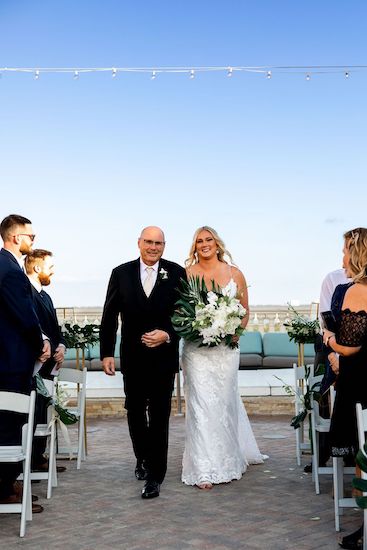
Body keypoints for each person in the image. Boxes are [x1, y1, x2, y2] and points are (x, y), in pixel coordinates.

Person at [99, 226, 186, 499]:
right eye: (148, 242)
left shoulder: (176, 273)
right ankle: (143, 457)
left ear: (164, 246)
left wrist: (167, 334)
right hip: (133, 357)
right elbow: (109, 315)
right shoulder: (120, 273)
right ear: (139, 243)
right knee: (135, 411)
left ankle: (155, 476)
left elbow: (187, 316)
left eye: (158, 243)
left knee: (160, 414)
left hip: (163, 358)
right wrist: (107, 353)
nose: (153, 247)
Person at [181, 226, 265, 490]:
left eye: (208, 240)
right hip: (196, 350)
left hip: (226, 350)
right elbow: (180, 310)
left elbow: (245, 310)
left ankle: (228, 460)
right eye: (199, 241)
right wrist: (197, 328)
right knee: (199, 405)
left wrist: (234, 332)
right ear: (195, 247)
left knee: (224, 402)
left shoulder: (234, 273)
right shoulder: (186, 274)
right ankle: (203, 468)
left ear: (217, 244)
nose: (204, 244)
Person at [0, 214, 50, 512]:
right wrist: (40, 344)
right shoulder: (10, 270)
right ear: (16, 237)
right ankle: (5, 488)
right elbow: (24, 316)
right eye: (31, 236)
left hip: (6, 359)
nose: (34, 241)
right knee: (11, 426)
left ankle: (7, 483)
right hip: (11, 363)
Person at [323, 228, 367, 550]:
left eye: (344, 252)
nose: (341, 259)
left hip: (362, 383)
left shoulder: (357, 291)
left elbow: (350, 347)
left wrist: (328, 339)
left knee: (364, 457)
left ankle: (365, 530)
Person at [25, 249, 67, 473]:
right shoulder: (26, 293)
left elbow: (55, 330)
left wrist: (60, 346)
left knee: (43, 412)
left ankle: (38, 456)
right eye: (50, 266)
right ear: (38, 267)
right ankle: (29, 461)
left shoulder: (46, 296)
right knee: (34, 413)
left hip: (50, 366)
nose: (53, 270)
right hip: (35, 364)